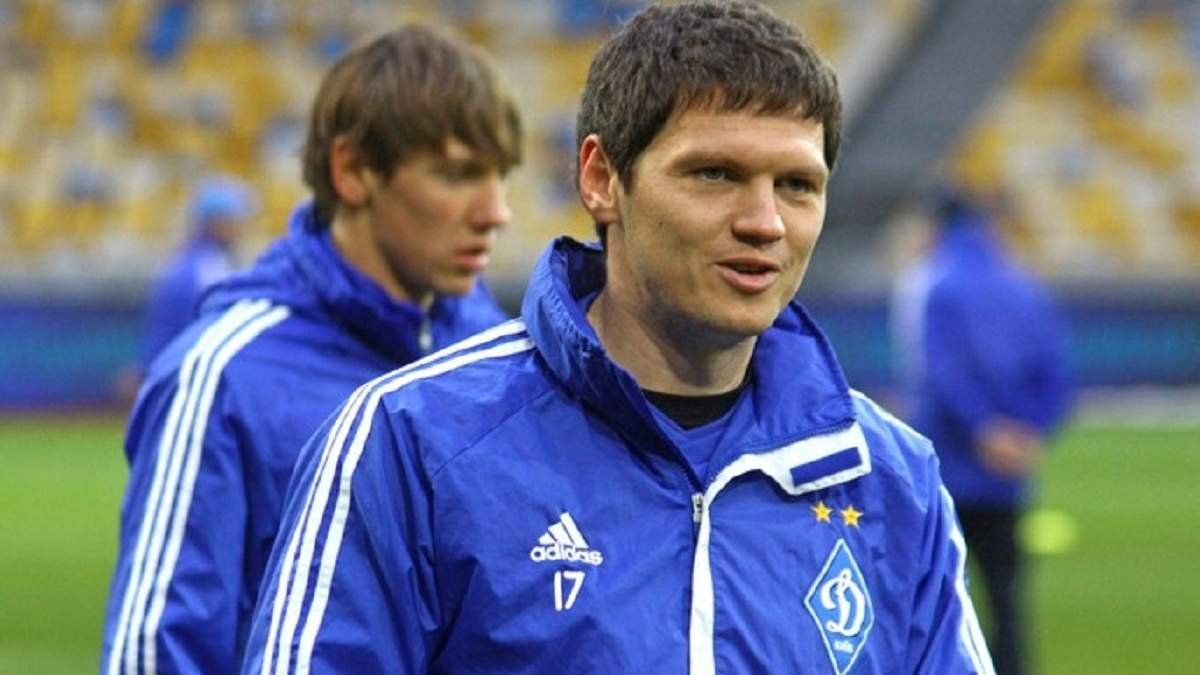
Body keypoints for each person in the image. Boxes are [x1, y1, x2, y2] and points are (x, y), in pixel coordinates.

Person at [243, 3, 994, 673]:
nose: (764, 222)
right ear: (602, 179)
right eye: (714, 174)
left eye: (797, 185)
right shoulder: (412, 443)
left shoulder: (891, 477)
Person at [102, 25, 522, 675]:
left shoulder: (492, 351)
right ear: (352, 171)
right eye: (457, 173)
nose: (496, 212)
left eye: (500, 176)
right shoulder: (225, 375)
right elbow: (158, 654)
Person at [891, 188, 1073, 675]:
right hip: (1006, 474)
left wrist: (984, 429)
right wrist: (1027, 432)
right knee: (1006, 599)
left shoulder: (935, 285)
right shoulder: (1026, 286)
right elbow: (1056, 372)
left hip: (946, 464)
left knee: (930, 598)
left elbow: (941, 374)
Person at [139, 175, 254, 370]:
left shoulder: (195, 261)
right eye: (234, 220)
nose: (240, 228)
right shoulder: (205, 270)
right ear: (216, 221)